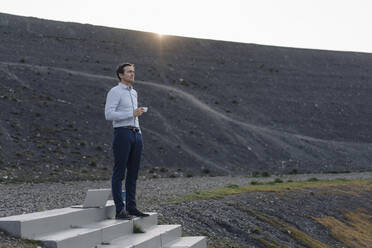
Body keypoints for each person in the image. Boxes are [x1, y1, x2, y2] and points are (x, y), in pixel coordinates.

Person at [105, 62, 149, 219]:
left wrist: (137, 121)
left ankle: (131, 207)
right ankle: (119, 210)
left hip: (136, 134)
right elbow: (109, 115)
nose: (132, 74)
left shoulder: (134, 93)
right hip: (122, 133)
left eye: (133, 71)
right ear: (120, 75)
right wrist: (132, 113)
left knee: (133, 173)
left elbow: (134, 115)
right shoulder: (115, 91)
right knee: (119, 173)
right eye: (129, 72)